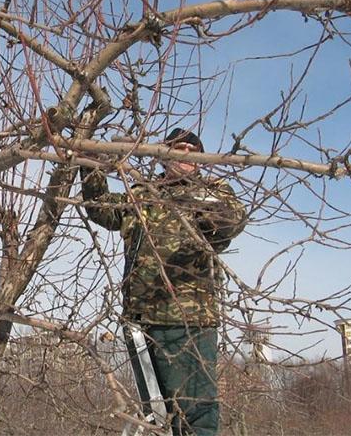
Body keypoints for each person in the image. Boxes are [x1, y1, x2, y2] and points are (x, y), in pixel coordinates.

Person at [80, 128, 247, 436]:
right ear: (162, 155)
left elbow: (231, 220)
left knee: (195, 416)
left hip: (186, 323)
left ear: (200, 158)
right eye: (176, 148)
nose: (183, 155)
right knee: (155, 419)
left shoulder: (212, 190)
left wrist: (190, 194)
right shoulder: (143, 194)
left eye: (190, 150)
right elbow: (100, 208)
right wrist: (92, 162)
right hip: (140, 322)